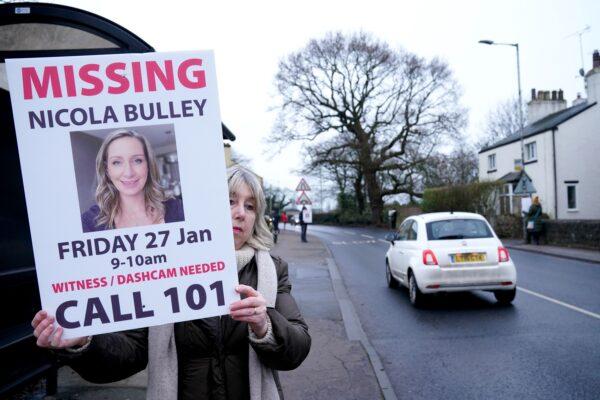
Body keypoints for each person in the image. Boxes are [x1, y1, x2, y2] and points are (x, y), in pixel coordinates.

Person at [32, 165, 311, 400]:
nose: (240, 212)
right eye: (229, 201)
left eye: (250, 206)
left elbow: (297, 348)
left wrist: (265, 324)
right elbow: (131, 351)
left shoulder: (272, 271)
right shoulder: (165, 268)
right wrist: (83, 340)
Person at [81, 129, 184, 233]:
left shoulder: (178, 209)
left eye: (137, 160)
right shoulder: (89, 223)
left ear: (148, 165)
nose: (128, 173)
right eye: (117, 162)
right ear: (107, 170)